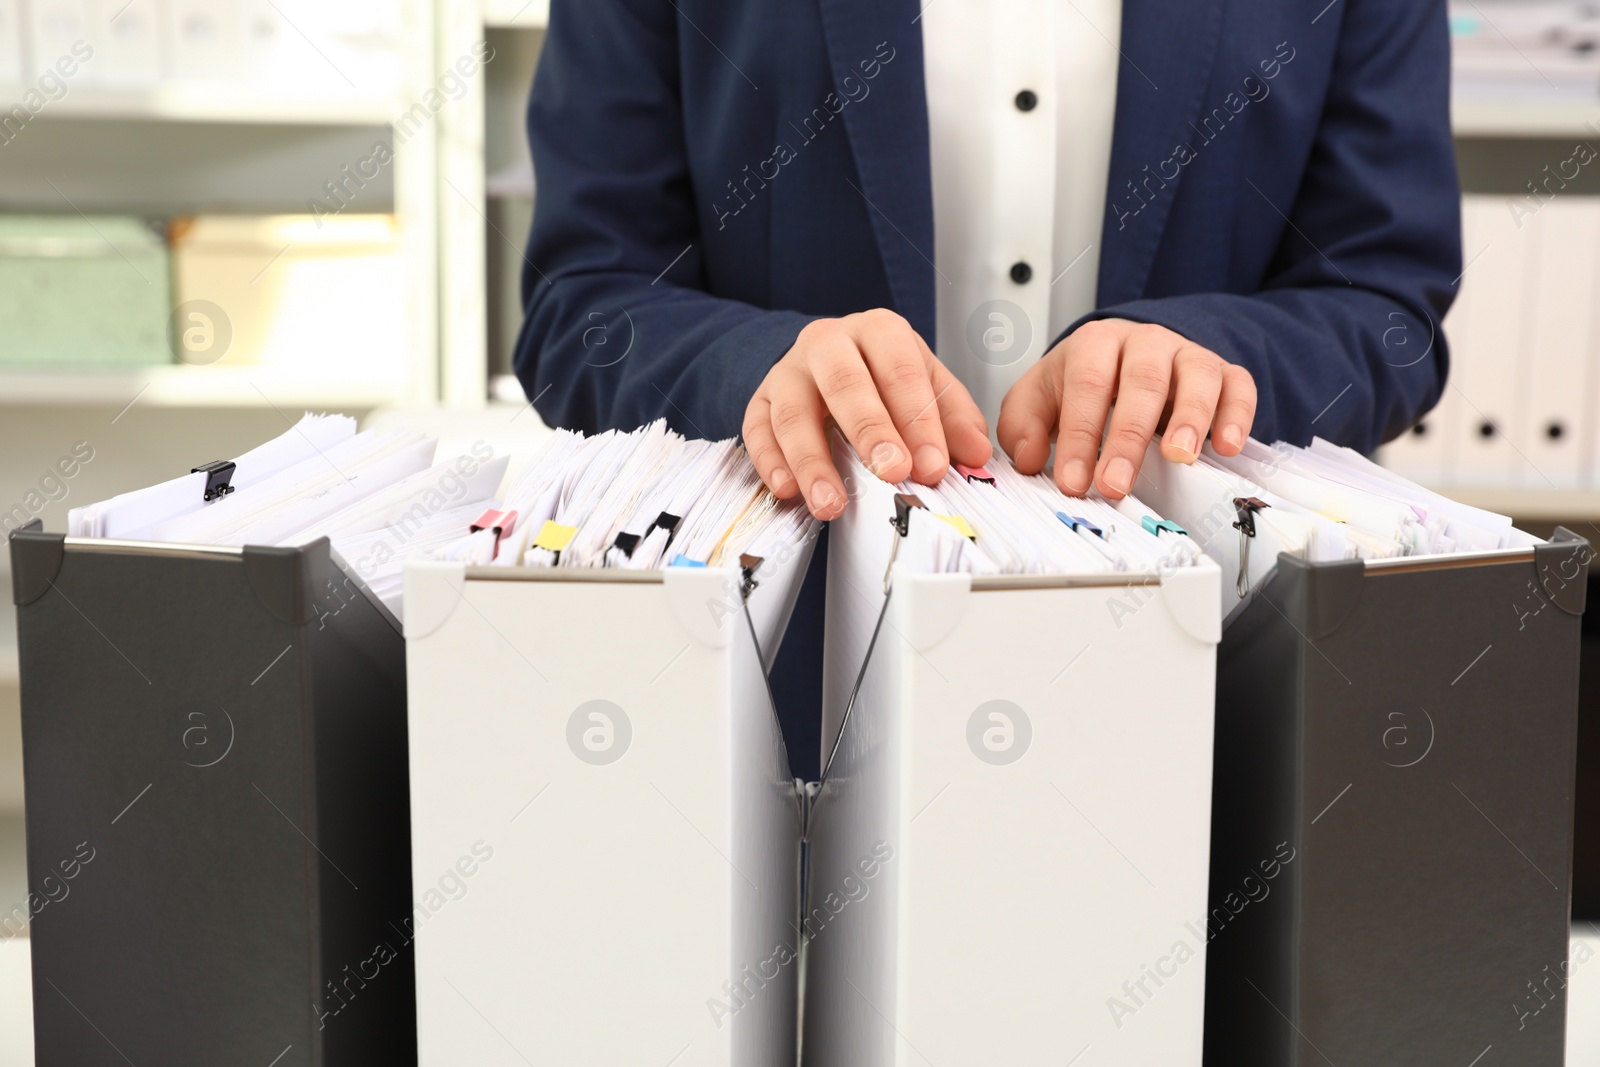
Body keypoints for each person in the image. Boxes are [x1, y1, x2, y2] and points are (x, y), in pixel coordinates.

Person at [513, 0, 1460, 774]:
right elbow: (579, 307)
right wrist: (759, 370)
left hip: (1221, 725)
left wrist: (1207, 355)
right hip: (777, 730)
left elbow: (1387, 304)